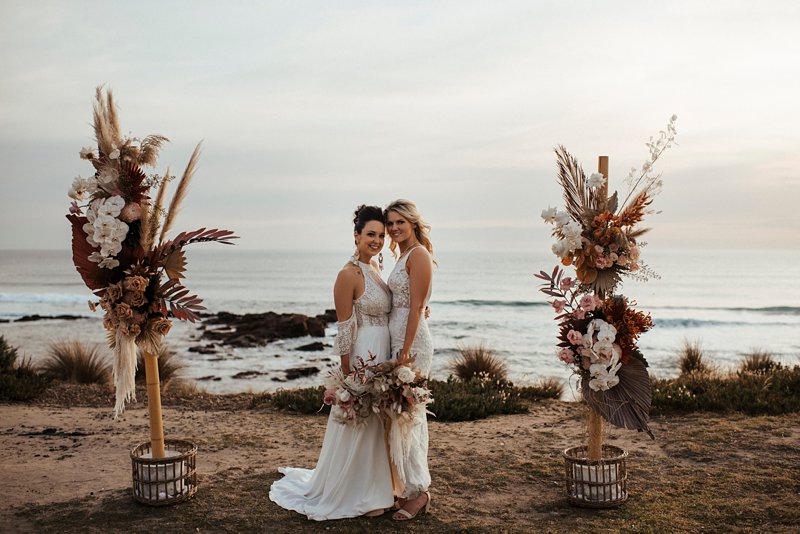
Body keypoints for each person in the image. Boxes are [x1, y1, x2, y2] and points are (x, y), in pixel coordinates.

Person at [269, 205, 395, 520]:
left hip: (382, 353)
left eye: (381, 235)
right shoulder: (347, 275)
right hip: (363, 353)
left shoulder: (375, 268)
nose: (377, 240)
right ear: (356, 235)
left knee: (377, 421)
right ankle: (356, 491)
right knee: (360, 420)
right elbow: (344, 328)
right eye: (370, 234)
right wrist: (347, 374)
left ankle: (376, 487)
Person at [384, 198, 434, 521]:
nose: (394, 228)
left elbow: (416, 308)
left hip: (412, 346)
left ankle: (420, 493)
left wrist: (403, 353)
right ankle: (403, 487)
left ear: (413, 222)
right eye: (390, 223)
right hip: (398, 341)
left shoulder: (419, 255)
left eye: (399, 222)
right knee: (398, 417)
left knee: (411, 416)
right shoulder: (403, 255)